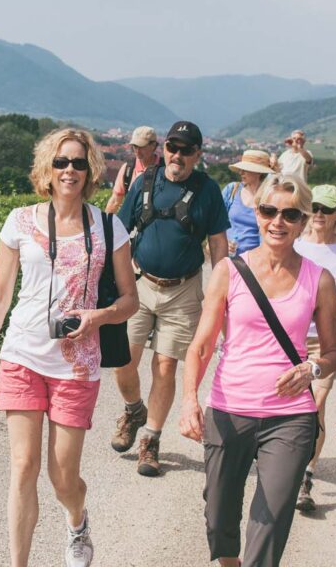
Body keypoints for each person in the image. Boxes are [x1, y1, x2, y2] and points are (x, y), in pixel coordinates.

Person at [0, 128, 138, 567]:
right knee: (22, 467)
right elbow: (0, 295)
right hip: (22, 356)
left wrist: (96, 317)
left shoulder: (107, 226)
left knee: (63, 478)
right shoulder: (19, 221)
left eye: (79, 163)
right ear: (47, 168)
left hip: (77, 365)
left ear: (91, 171)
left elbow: (129, 300)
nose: (70, 171)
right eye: (61, 162)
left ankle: (77, 521)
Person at [180, 175, 336, 567]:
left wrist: (313, 368)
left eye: (290, 214)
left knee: (271, 519)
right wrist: (188, 399)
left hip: (289, 418)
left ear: (303, 221)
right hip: (228, 409)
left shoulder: (318, 279)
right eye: (270, 211)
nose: (278, 221)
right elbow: (201, 345)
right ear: (257, 213)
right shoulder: (228, 271)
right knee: (219, 516)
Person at [110, 120, 230, 477]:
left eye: (186, 150)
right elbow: (119, 231)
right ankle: (134, 409)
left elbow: (218, 242)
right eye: (172, 148)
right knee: (122, 358)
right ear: (164, 149)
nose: (178, 155)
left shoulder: (207, 190)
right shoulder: (145, 182)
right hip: (140, 285)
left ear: (198, 155)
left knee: (165, 365)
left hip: (184, 289)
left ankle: (151, 438)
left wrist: (220, 290)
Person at [292, 184, 336, 512]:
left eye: (326, 209)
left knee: (314, 407)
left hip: (326, 339)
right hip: (290, 336)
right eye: (315, 208)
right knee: (290, 406)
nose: (319, 215)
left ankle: (306, 474)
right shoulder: (294, 245)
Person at [222, 149, 276, 257]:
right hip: (229, 257)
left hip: (256, 260)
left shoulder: (270, 197)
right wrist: (224, 242)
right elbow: (217, 222)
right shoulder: (232, 190)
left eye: (246, 169)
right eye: (241, 169)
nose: (241, 172)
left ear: (259, 172)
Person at [105, 126, 161, 214]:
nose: (137, 151)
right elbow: (115, 201)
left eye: (142, 146)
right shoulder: (127, 169)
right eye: (135, 146)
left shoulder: (164, 169)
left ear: (153, 146)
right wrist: (106, 224)